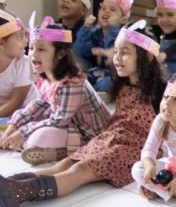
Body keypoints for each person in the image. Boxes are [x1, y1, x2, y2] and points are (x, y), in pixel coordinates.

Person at [0, 21, 167, 207]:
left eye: (125, 52)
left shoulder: (159, 91)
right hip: (111, 137)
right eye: (116, 51)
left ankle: (20, 192)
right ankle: (11, 182)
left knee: (80, 170)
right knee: (67, 163)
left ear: (146, 56)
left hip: (135, 148)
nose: (116, 58)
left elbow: (169, 130)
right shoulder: (123, 84)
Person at [1, 16, 109, 165]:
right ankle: (38, 146)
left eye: (41, 49)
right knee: (30, 128)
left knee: (37, 138)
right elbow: (37, 105)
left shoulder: (72, 81)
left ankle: (61, 151)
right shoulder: (47, 77)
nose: (33, 54)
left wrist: (23, 131)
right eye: (32, 48)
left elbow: (60, 120)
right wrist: (13, 126)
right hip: (68, 125)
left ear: (60, 54)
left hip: (90, 133)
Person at [76, 0, 130, 94]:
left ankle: (93, 95)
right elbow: (79, 52)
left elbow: (115, 62)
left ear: (123, 19)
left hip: (115, 76)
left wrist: (113, 28)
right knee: (78, 71)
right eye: (103, 8)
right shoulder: (95, 32)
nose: (106, 11)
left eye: (113, 9)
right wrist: (86, 28)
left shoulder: (124, 36)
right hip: (97, 72)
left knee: (105, 83)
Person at [0, 10, 35, 125]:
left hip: (24, 115)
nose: (26, 40)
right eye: (20, 37)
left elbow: (16, 102)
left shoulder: (23, 63)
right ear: (1, 43)